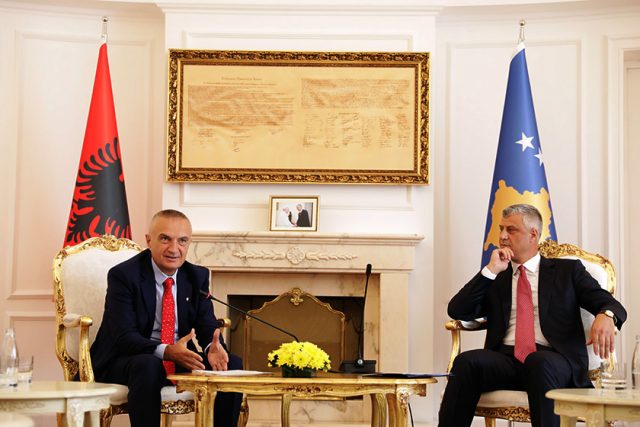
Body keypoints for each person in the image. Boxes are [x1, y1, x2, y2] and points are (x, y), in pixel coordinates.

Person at [438, 204, 626, 427]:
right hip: (506, 360)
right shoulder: (497, 276)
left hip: (555, 361)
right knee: (466, 362)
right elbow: (458, 310)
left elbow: (609, 303)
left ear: (533, 234)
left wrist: (606, 314)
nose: (502, 236)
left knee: (539, 361)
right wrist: (490, 271)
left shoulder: (567, 271)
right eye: (501, 229)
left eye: (511, 230)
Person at [90, 209, 242, 427]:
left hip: (178, 358)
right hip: (127, 359)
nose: (174, 249)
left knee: (233, 364)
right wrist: (167, 351)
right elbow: (123, 336)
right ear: (149, 240)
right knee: (148, 365)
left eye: (182, 241)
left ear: (189, 243)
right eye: (165, 239)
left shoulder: (196, 276)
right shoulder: (124, 275)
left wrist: (212, 348)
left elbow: (206, 324)